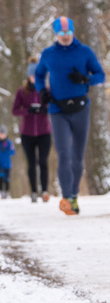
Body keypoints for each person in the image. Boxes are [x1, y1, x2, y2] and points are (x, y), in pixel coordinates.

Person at [34, 16, 106, 215]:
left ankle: (74, 195)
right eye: (61, 33)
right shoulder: (48, 54)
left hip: (81, 109)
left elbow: (101, 75)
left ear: (73, 32)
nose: (65, 37)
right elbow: (39, 75)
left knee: (77, 157)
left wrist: (86, 79)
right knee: (64, 154)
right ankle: (66, 198)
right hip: (57, 110)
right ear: (55, 34)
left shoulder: (84, 52)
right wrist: (42, 91)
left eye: (68, 33)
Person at [12, 56, 53, 202]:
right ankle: (34, 191)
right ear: (28, 76)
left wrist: (44, 109)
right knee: (31, 163)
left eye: (36, 75)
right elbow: (15, 110)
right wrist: (28, 111)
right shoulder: (22, 92)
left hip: (44, 132)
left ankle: (45, 190)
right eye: (31, 75)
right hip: (27, 133)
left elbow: (53, 106)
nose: (34, 78)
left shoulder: (47, 90)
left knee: (43, 161)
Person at [0, 124, 15, 199]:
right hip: (0, 165)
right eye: (1, 134)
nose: (2, 135)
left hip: (8, 165)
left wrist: (6, 150)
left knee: (7, 179)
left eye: (3, 134)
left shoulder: (9, 143)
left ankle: (7, 192)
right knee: (1, 178)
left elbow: (13, 152)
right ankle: (1, 192)